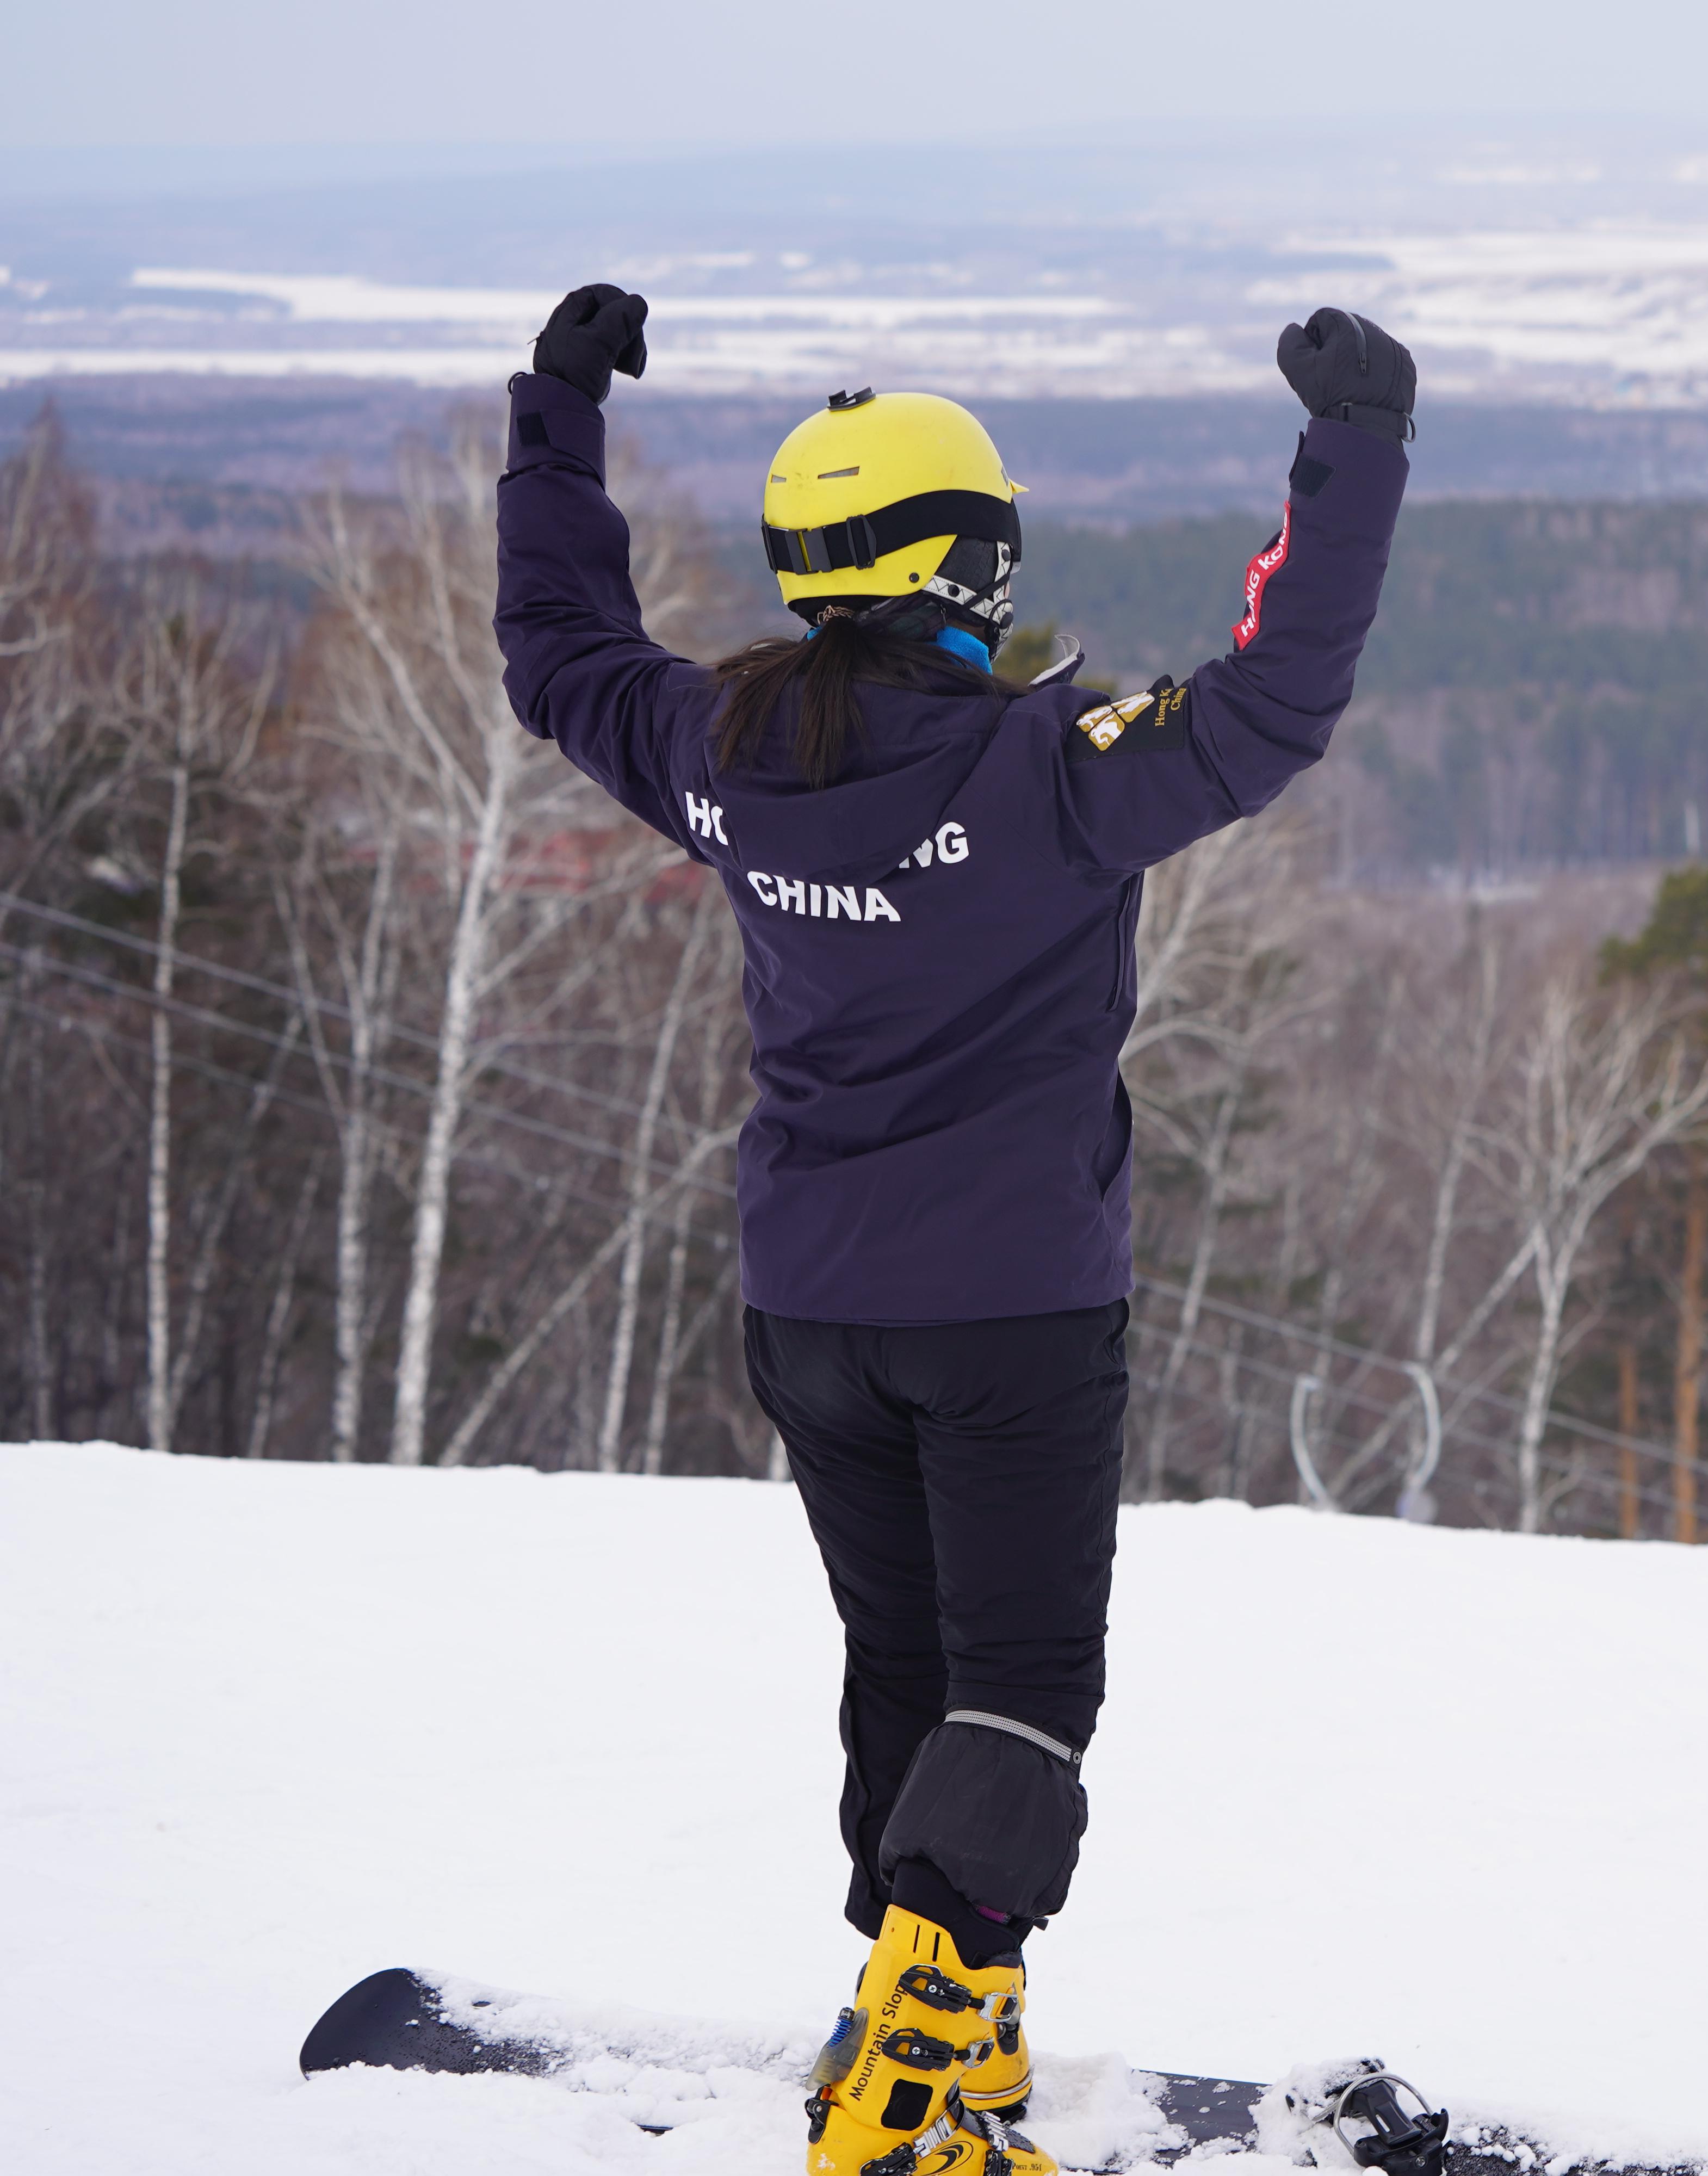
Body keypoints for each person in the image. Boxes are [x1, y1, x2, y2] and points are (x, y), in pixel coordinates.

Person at [494, 281, 1414, 2176]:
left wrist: (557, 421)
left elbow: (561, 648)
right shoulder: (1051, 773)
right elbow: (1276, 697)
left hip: (809, 1315)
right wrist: (1356, 455)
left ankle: (928, 2031)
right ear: (967, 561)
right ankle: (912, 2110)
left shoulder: (720, 754)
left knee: (906, 1669)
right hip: (1008, 1321)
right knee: (1018, 1698)